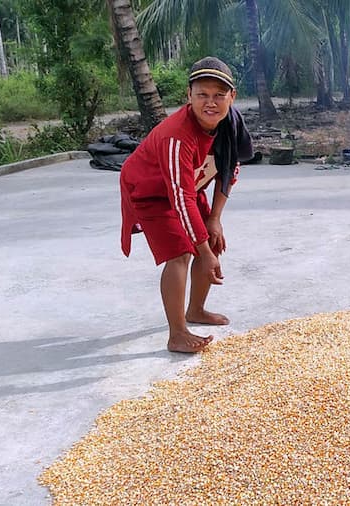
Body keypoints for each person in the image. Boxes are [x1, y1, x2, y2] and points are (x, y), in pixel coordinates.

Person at [120, 56, 253, 353]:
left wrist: (214, 219)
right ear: (188, 96)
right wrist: (201, 250)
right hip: (150, 189)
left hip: (188, 186)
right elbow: (178, 197)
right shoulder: (176, 136)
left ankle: (196, 309)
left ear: (233, 96)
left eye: (219, 95)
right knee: (181, 251)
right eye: (202, 94)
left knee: (212, 238)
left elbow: (231, 170)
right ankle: (177, 333)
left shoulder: (231, 124)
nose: (211, 102)